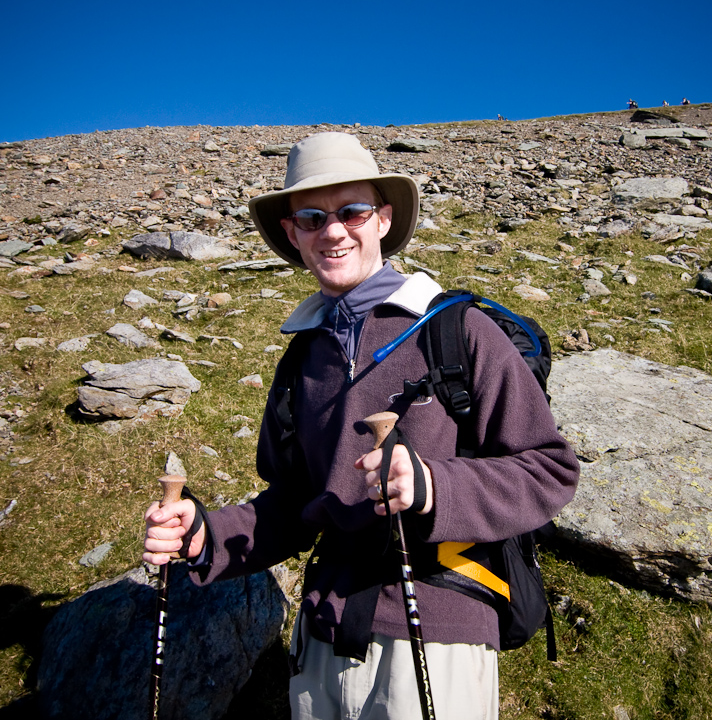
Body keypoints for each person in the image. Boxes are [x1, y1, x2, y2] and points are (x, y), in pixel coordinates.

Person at [143, 132, 580, 720]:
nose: (333, 230)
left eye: (352, 210)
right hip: (322, 637)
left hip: (437, 634)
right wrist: (206, 537)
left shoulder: (456, 331)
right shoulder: (302, 360)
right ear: (294, 234)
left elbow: (549, 471)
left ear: (383, 219)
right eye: (312, 217)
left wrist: (431, 487)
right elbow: (295, 503)